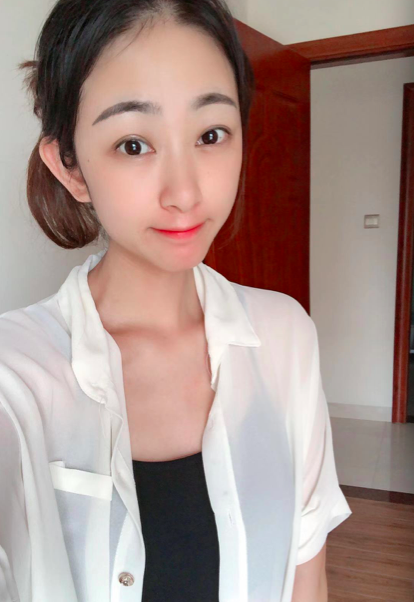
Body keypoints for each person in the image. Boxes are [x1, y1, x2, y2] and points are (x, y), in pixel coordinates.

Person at [0, 0, 352, 600]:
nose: (185, 193)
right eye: (133, 144)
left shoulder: (285, 336)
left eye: (211, 135)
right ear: (71, 167)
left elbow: (306, 573)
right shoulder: (16, 377)